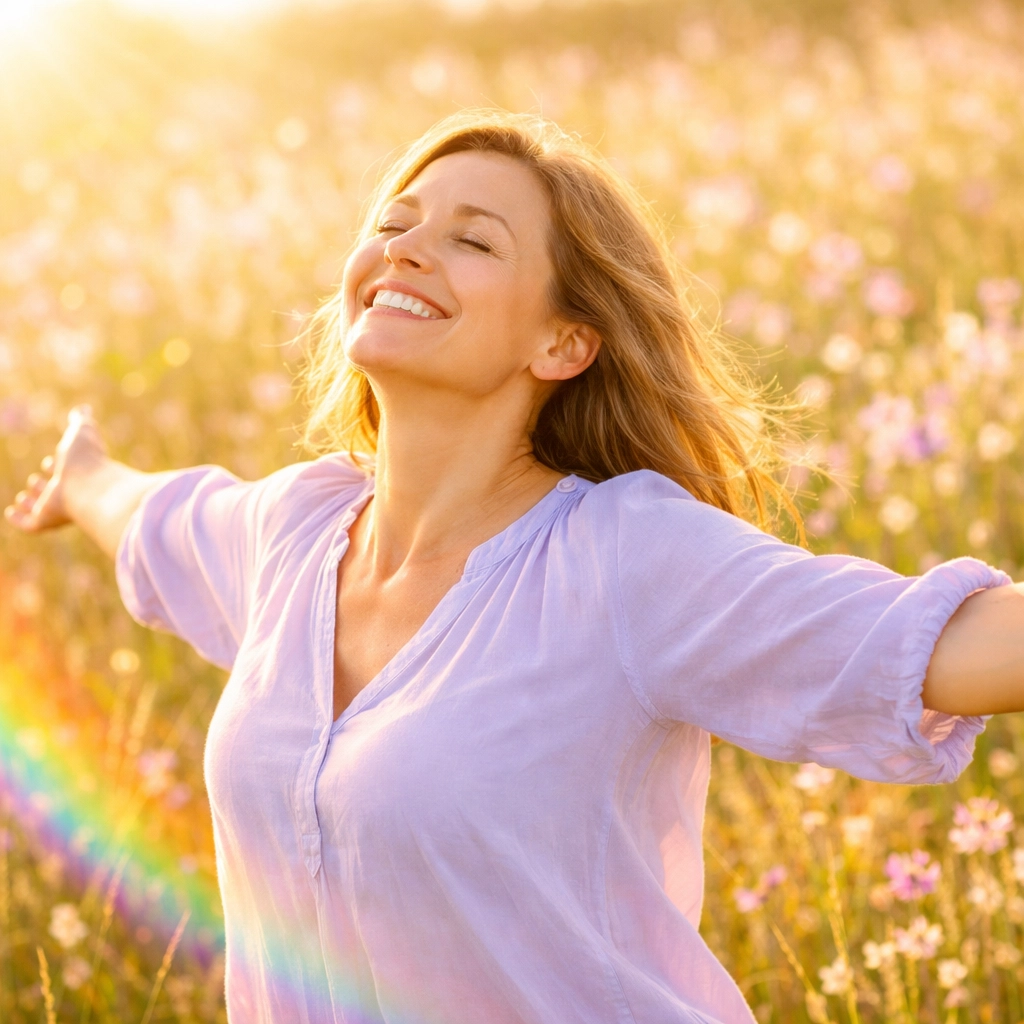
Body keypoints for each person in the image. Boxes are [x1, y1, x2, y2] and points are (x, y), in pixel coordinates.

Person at [6, 110, 1024, 1024]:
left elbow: (938, 646)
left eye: (470, 239)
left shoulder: (623, 561)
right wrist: (86, 480)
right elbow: (158, 514)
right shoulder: (292, 534)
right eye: (396, 221)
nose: (407, 250)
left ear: (563, 343)